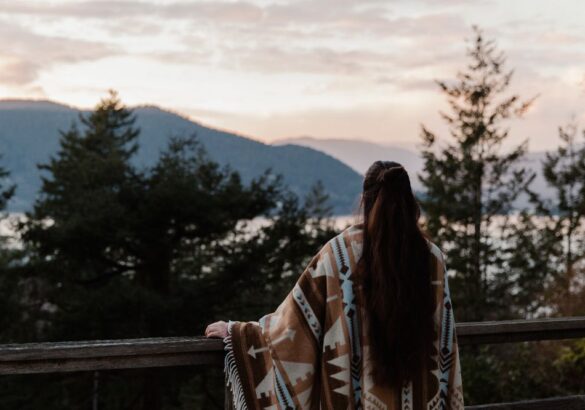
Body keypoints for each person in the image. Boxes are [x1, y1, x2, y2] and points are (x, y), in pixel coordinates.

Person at [205, 160, 464, 409]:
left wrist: (239, 334)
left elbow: (292, 325)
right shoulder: (432, 258)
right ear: (409, 201)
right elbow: (444, 341)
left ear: (365, 200)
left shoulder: (339, 254)